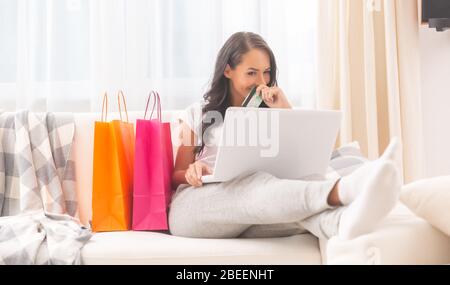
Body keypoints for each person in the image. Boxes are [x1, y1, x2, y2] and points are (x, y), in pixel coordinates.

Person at [169, 31, 400, 240]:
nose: (261, 82)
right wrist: (191, 172)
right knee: (254, 186)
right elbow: (175, 175)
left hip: (257, 205)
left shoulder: (272, 111)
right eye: (251, 73)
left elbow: (303, 162)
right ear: (228, 70)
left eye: (266, 73)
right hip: (199, 206)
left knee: (272, 196)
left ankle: (340, 222)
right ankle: (343, 190)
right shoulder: (197, 113)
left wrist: (284, 110)